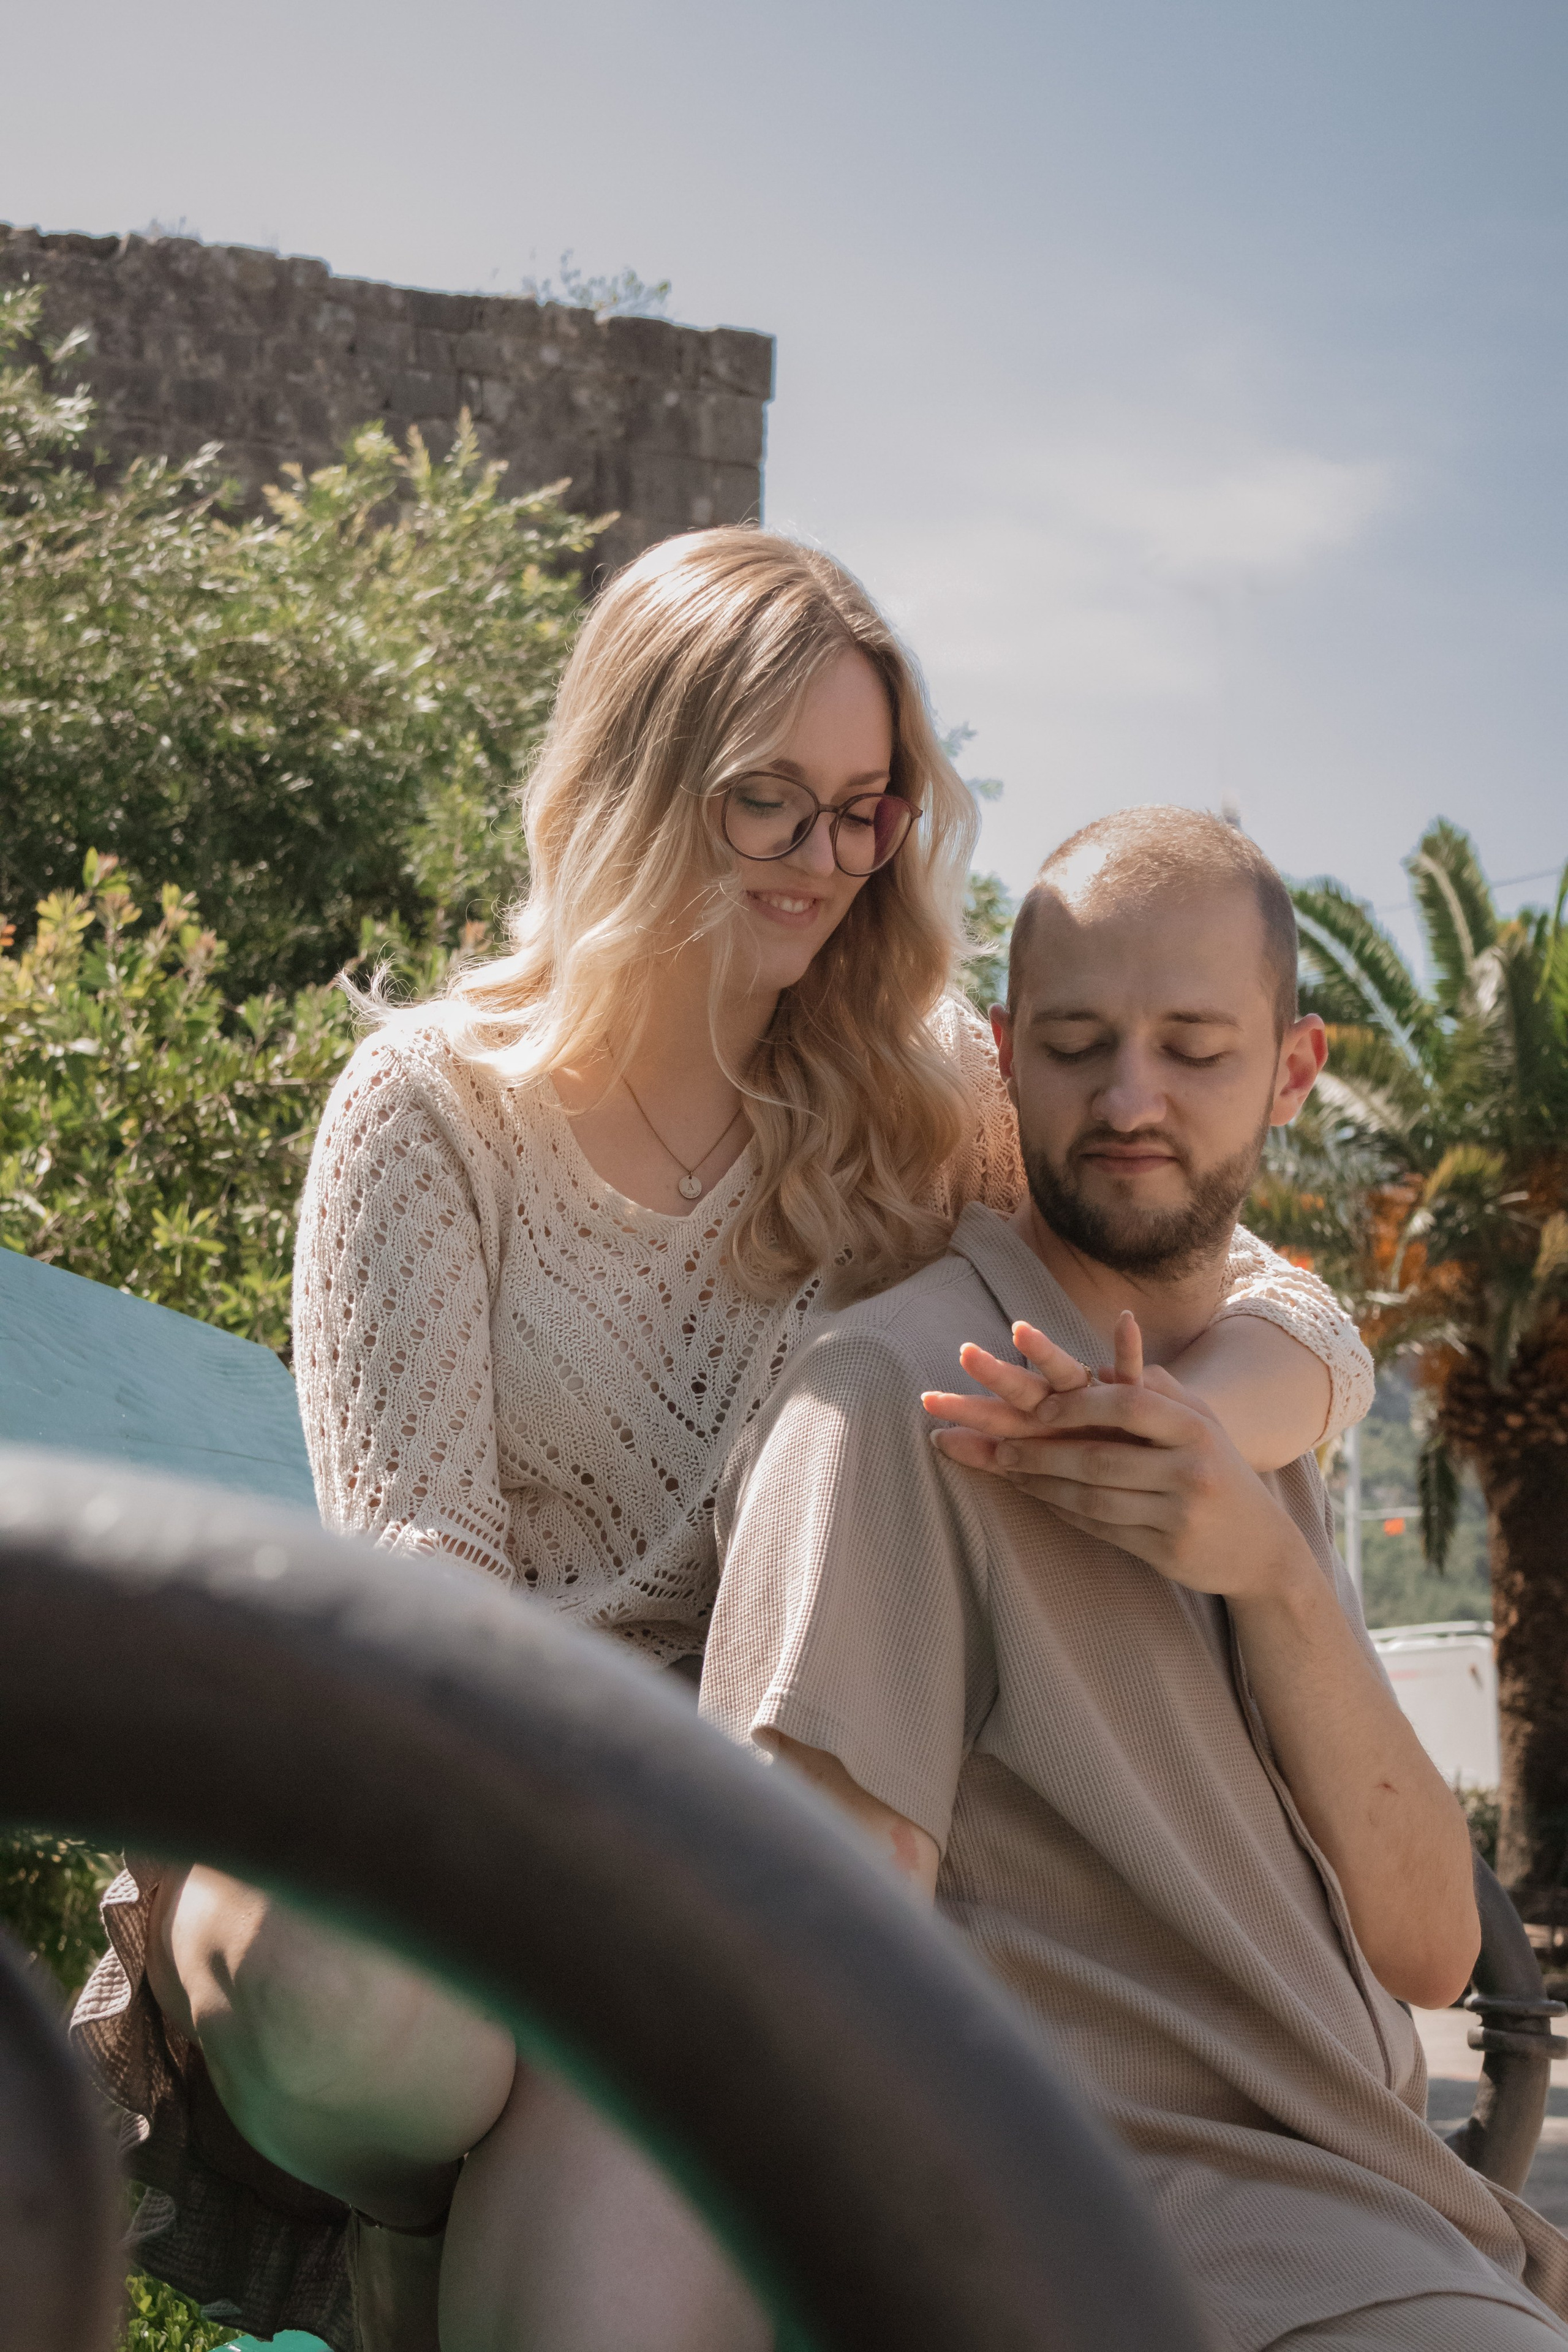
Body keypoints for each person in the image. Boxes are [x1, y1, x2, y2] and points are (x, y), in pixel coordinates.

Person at [72, 540, 1373, 2352]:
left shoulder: (921, 1101)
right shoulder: (435, 1108)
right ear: (636, 778)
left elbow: (1292, 1309)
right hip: (456, 1809)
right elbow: (419, 1591)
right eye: (772, 803)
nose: (829, 866)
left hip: (755, 1865)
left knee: (691, 2043)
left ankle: (447, 2277)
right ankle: (419, 2229)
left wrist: (1184, 1426)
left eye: (867, 811)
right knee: (390, 2000)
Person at [701, 805, 1568, 2352]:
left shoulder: (1259, 1416)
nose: (1129, 1098)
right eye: (1081, 1041)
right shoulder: (893, 1397)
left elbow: (1431, 1950)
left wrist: (1277, 1580)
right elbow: (805, 1975)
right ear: (1006, 1051)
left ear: (1292, 1072)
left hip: (1389, 2215)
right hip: (1150, 2243)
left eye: (1193, 1047)